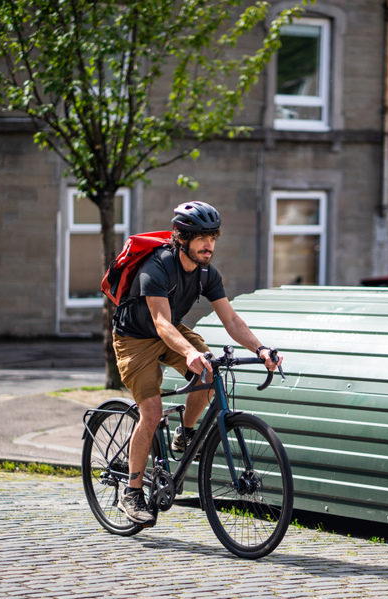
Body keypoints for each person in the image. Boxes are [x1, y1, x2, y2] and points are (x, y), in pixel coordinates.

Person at [111, 200, 283, 525]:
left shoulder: (207, 273)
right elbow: (161, 323)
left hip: (170, 330)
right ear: (182, 238)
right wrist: (189, 353)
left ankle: (186, 433)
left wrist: (262, 349)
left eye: (213, 237)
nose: (209, 245)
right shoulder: (157, 267)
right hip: (135, 338)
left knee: (209, 367)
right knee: (151, 412)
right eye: (202, 237)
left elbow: (231, 320)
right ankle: (131, 492)